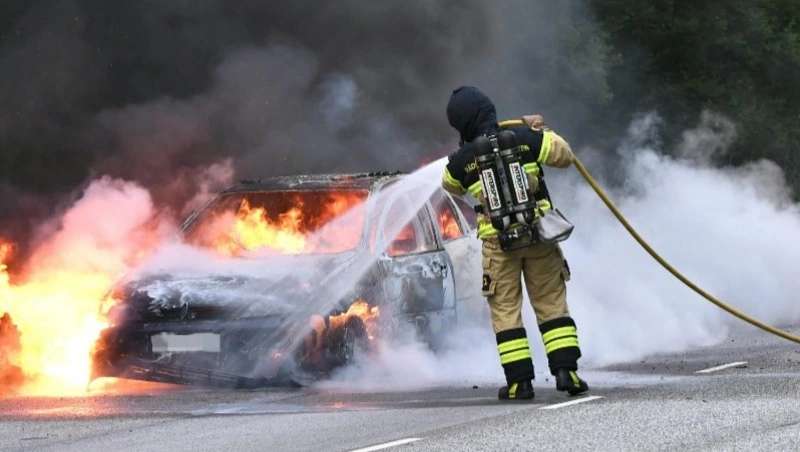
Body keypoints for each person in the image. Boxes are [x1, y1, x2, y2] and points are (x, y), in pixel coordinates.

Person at [441, 86, 589, 400]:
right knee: (551, 303)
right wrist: (540, 128)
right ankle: (567, 372)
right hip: (539, 235)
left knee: (506, 310)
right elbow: (565, 155)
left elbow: (450, 185)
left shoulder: (465, 159)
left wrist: (464, 152)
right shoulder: (526, 136)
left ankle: (519, 383)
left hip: (498, 244)